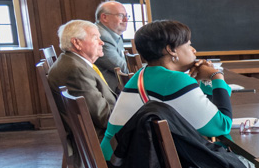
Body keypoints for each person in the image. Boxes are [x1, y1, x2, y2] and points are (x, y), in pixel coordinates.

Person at [100, 19, 233, 159]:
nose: (194, 50)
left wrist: (205, 80)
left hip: (117, 162)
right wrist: (216, 75)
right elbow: (221, 126)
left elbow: (209, 114)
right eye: (189, 45)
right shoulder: (174, 80)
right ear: (171, 50)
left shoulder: (143, 74)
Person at [47, 20, 118, 137]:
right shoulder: (76, 70)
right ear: (77, 43)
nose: (102, 43)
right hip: (105, 139)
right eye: (96, 38)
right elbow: (105, 118)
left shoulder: (72, 61)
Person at [94, 1, 130, 89]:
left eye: (127, 16)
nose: (126, 20)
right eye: (121, 15)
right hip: (112, 91)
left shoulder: (113, 34)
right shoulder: (102, 37)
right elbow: (122, 68)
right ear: (104, 17)